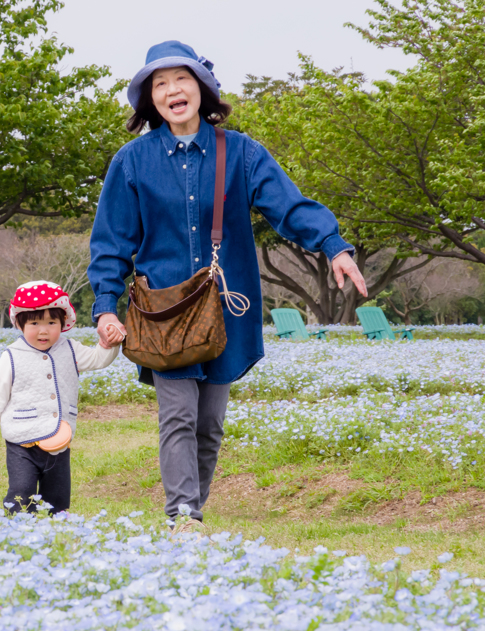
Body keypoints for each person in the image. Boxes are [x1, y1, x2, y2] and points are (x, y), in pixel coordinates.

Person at [87, 41, 368, 533]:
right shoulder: (131, 162)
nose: (173, 90)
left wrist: (334, 245)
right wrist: (106, 307)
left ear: (202, 87)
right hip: (163, 313)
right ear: (150, 100)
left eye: (182, 79)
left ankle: (191, 508)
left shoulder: (240, 152)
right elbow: (110, 242)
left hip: (226, 309)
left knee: (208, 426)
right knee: (176, 416)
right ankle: (183, 515)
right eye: (160, 84)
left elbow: (288, 205)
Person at [0, 281, 125, 515]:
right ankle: (19, 529)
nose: (43, 330)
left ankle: (55, 530)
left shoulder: (70, 348)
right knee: (22, 491)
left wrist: (109, 344)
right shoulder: (12, 356)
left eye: (51, 323)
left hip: (59, 437)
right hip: (21, 440)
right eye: (34, 323)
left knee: (57, 495)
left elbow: (98, 359)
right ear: (19, 324)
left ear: (63, 324)